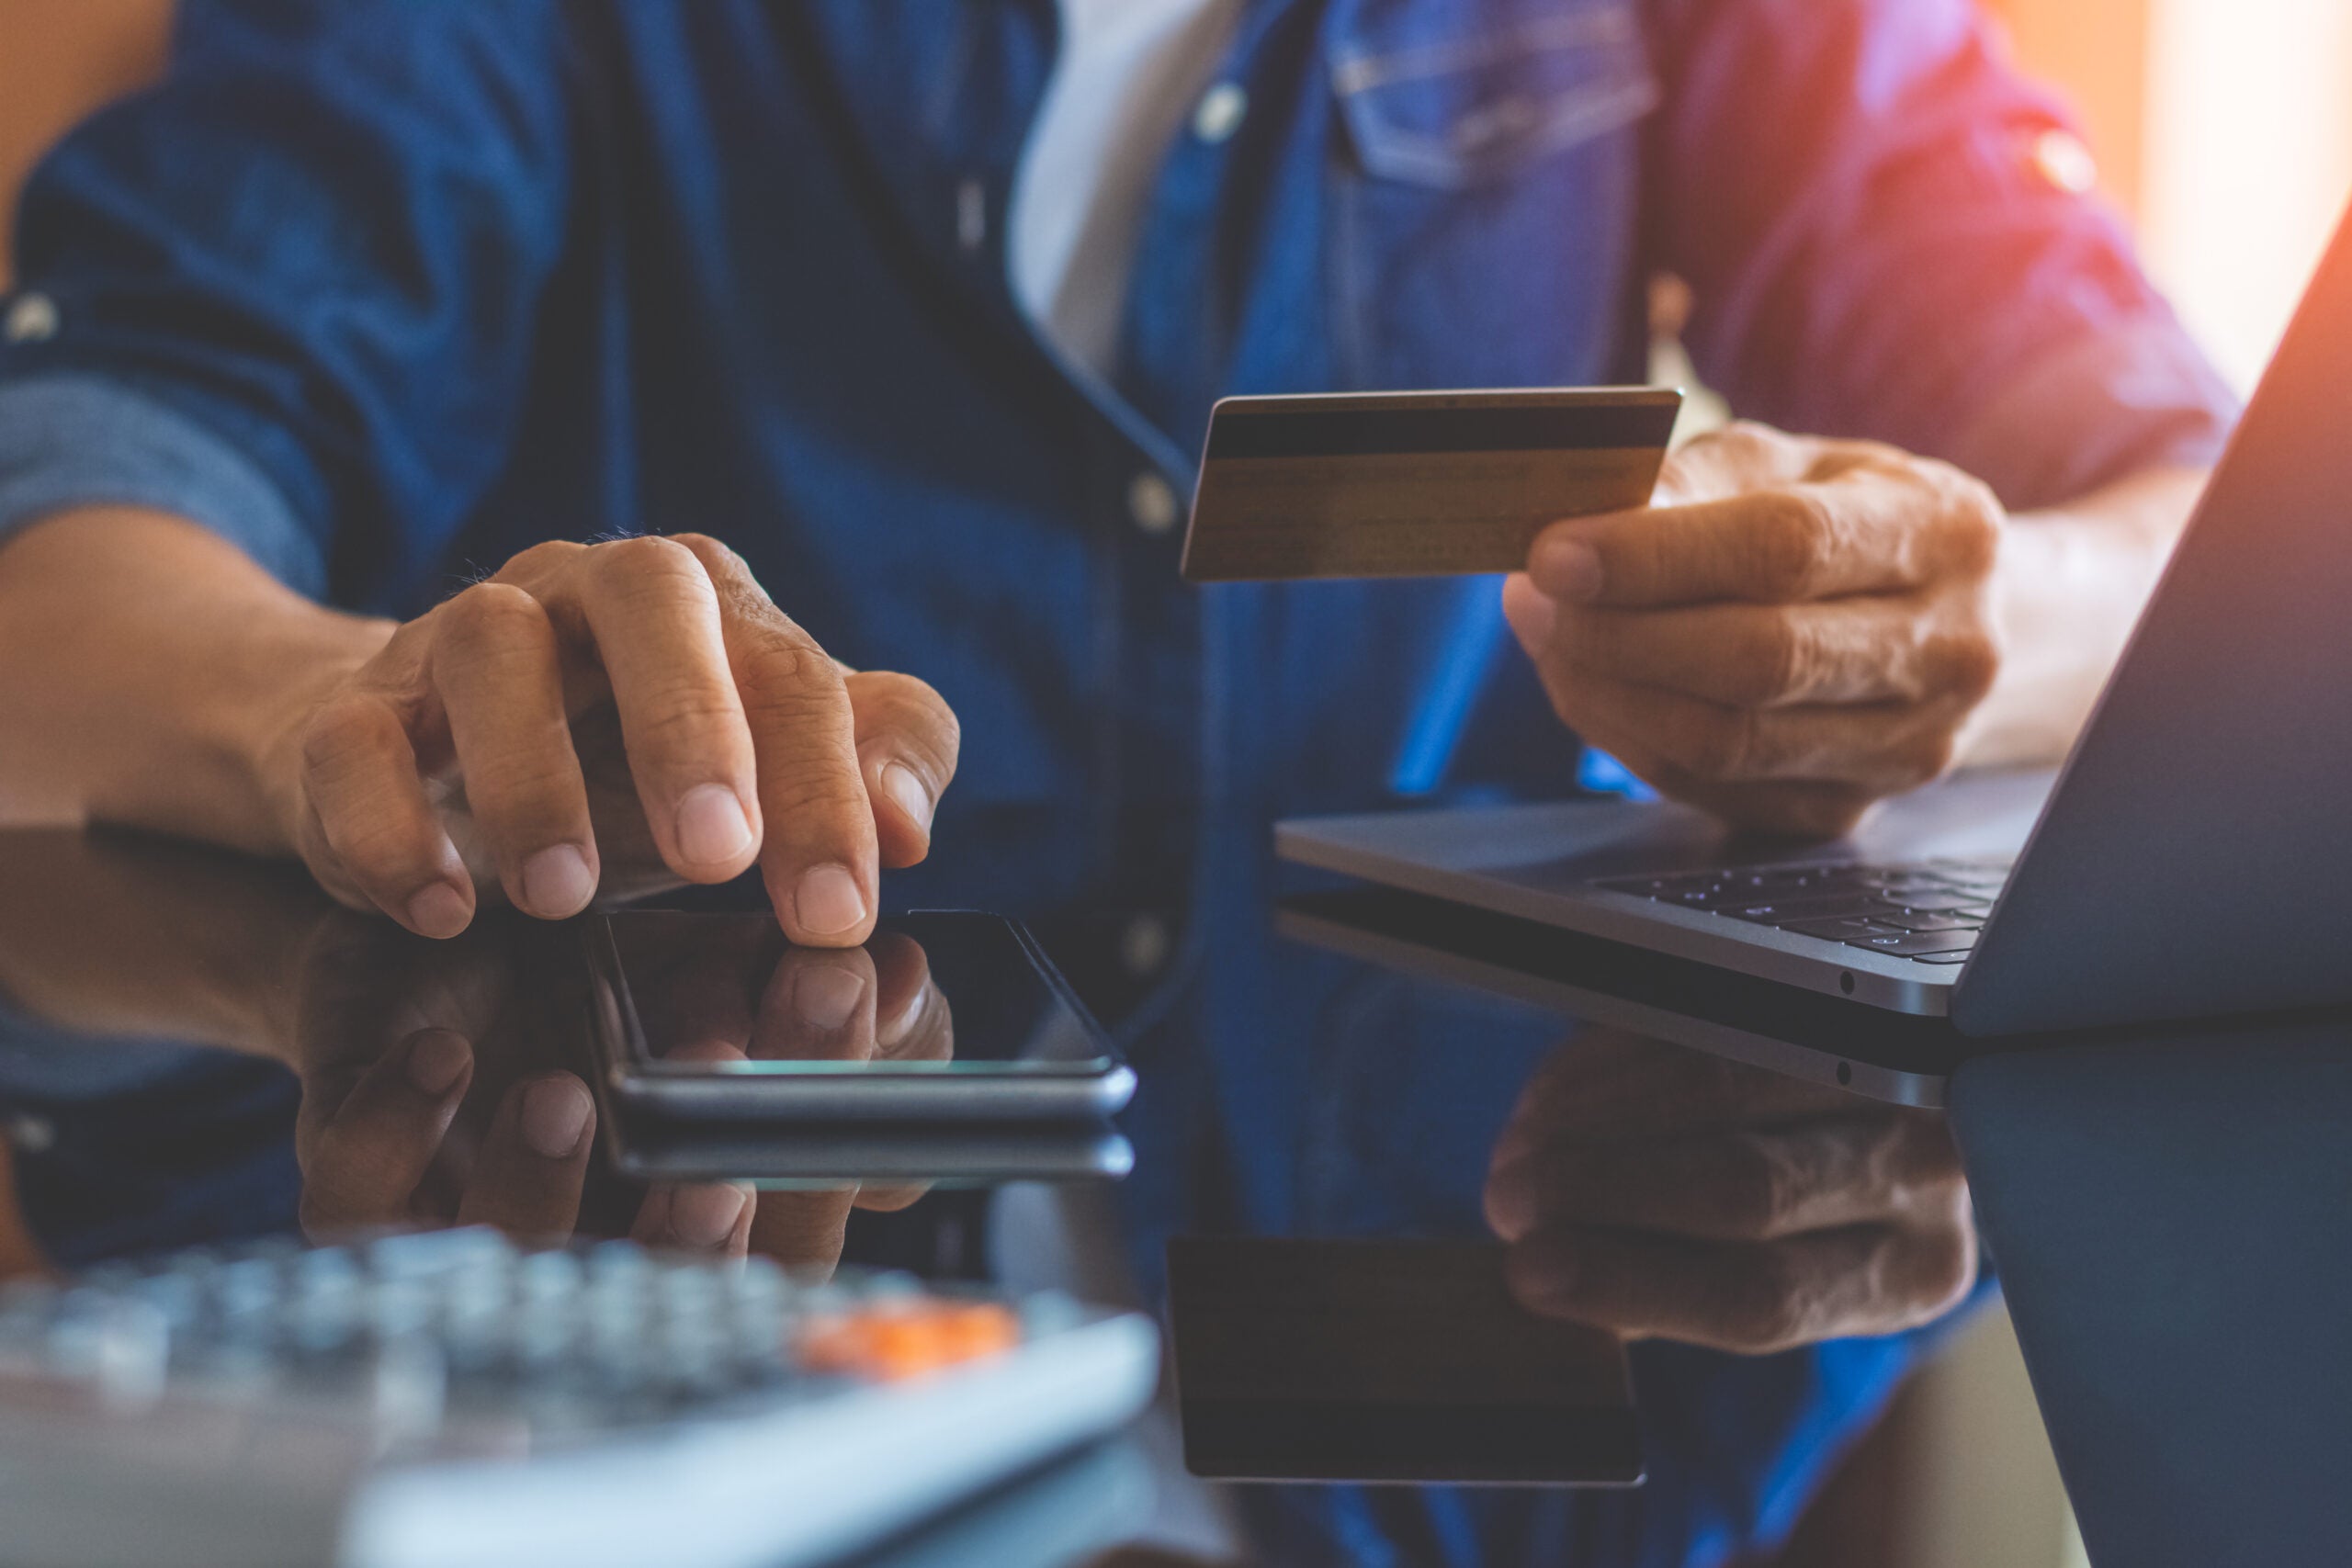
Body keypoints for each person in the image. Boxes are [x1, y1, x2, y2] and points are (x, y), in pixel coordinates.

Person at [0, 1, 2235, 1561]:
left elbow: (2208, 534)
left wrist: (1971, 619)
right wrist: (338, 708)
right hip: (648, 1292)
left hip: (1507, 1182)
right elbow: (83, 523)